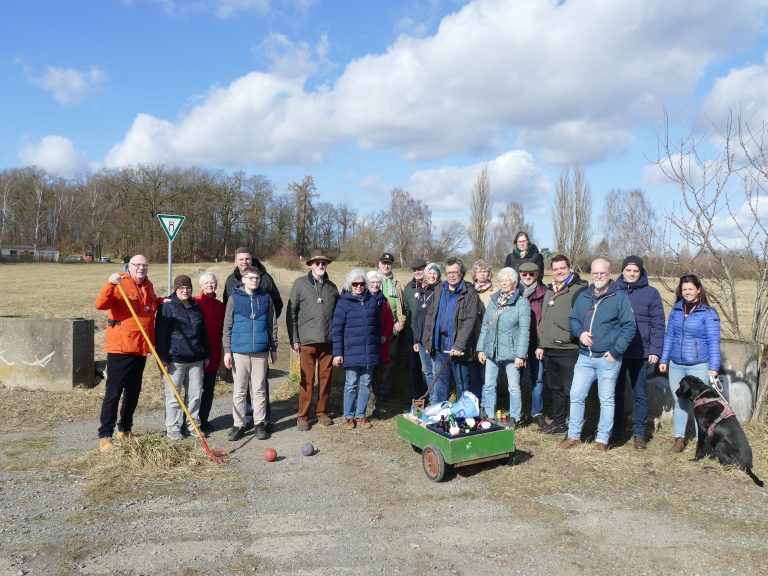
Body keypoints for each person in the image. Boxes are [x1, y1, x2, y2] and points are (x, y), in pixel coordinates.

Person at [557, 258, 636, 451]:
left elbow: (629, 327)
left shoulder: (619, 297)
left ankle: (602, 440)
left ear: (609, 274)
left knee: (606, 399)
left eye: (602, 273)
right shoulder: (584, 296)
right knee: (576, 395)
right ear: (590, 274)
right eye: (595, 273)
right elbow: (573, 319)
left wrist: (616, 351)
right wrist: (580, 333)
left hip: (607, 359)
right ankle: (574, 435)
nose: (598, 277)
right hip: (585, 357)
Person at [95, 254, 159, 453]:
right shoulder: (119, 283)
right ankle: (106, 435)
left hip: (141, 348)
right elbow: (100, 304)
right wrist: (109, 284)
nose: (141, 268)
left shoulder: (148, 285)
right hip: (120, 348)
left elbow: (151, 308)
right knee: (113, 393)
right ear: (129, 266)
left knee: (133, 392)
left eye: (144, 265)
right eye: (137, 265)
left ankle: (126, 428)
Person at [659, 274, 721, 453]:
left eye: (690, 289)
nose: (687, 292)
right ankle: (679, 439)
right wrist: (664, 359)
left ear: (698, 289)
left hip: (699, 365)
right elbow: (669, 336)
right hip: (676, 364)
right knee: (680, 402)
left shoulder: (708, 313)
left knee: (700, 404)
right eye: (684, 289)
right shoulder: (676, 310)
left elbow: (713, 341)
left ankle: (703, 441)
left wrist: (714, 367)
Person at [613, 256, 666, 450]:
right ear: (623, 271)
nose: (632, 274)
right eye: (629, 270)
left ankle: (639, 434)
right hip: (617, 351)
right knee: (615, 392)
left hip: (641, 351)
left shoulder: (651, 293)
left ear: (641, 272)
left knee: (640, 394)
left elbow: (658, 324)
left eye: (636, 270)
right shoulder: (614, 290)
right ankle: (617, 430)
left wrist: (655, 349)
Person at [286, 249, 340, 431]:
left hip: (328, 341)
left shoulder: (332, 287)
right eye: (317, 263)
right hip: (307, 341)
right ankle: (303, 415)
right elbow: (291, 312)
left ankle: (321, 411)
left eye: (323, 263)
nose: (320, 266)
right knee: (306, 379)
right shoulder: (300, 284)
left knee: (326, 378)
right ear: (311, 265)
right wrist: (295, 338)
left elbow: (338, 315)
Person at [223, 266, 277, 441]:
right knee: (240, 390)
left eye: (257, 278)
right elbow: (227, 326)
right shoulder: (234, 298)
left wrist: (273, 348)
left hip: (260, 352)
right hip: (239, 352)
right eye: (251, 278)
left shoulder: (266, 298)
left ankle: (259, 423)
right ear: (243, 280)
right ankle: (238, 424)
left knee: (259, 389)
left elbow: (272, 325)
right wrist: (227, 351)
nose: (255, 280)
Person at [535, 255, 588, 435]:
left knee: (570, 390)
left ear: (569, 268)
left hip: (568, 349)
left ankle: (574, 426)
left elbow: (583, 318)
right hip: (549, 348)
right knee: (556, 389)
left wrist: (571, 336)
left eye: (562, 268)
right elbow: (545, 319)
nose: (559, 272)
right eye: (555, 269)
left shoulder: (579, 290)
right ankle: (558, 423)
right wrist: (542, 344)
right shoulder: (551, 290)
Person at [156, 275, 210, 440]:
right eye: (181, 288)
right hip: (175, 360)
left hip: (196, 359)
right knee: (174, 396)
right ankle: (172, 427)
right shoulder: (168, 307)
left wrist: (206, 353)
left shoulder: (196, 306)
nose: (185, 291)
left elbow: (203, 332)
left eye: (188, 288)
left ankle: (192, 426)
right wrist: (163, 359)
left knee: (194, 396)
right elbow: (161, 335)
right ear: (175, 289)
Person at [422, 256, 482, 403]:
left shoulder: (469, 293)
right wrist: (428, 342)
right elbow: (430, 316)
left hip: (458, 345)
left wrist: (459, 345)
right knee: (441, 382)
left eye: (455, 272)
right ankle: (441, 413)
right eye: (449, 272)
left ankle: (463, 414)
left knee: (462, 382)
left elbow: (470, 321)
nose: (452, 275)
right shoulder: (439, 289)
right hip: (439, 342)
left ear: (461, 272)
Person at [477, 267, 531, 426]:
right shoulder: (494, 301)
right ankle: (489, 415)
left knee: (513, 387)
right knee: (489, 385)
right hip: (492, 351)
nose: (504, 283)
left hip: (512, 353)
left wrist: (521, 355)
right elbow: (485, 326)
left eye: (507, 280)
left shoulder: (522, 303)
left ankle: (515, 417)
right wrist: (481, 349)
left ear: (514, 283)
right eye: (501, 280)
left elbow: (524, 331)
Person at [332, 269, 382, 430]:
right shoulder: (343, 303)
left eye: (361, 283)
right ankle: (348, 416)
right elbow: (337, 329)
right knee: (351, 383)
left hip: (369, 352)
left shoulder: (372, 301)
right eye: (355, 284)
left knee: (366, 383)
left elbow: (377, 325)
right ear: (350, 285)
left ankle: (361, 415)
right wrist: (338, 353)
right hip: (351, 350)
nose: (359, 286)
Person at [194, 272, 225, 433]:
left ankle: (204, 419)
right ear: (201, 286)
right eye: (206, 283)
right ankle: (191, 421)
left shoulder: (221, 306)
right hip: (196, 355)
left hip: (213, 354)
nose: (209, 285)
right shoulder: (194, 303)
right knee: (194, 390)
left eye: (212, 282)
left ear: (216, 285)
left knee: (208, 389)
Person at [518, 261, 548, 428]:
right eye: (524, 274)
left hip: (536, 343)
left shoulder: (544, 293)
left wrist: (542, 344)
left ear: (536, 275)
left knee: (537, 378)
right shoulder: (514, 292)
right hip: (518, 344)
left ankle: (537, 412)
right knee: (517, 378)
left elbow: (546, 321)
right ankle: (518, 411)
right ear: (520, 274)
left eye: (531, 274)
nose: (528, 277)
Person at [375, 252, 406, 404]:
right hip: (374, 328)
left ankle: (384, 394)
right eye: (383, 262)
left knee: (389, 361)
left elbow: (403, 307)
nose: (386, 265)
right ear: (379, 263)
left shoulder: (397, 283)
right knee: (374, 362)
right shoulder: (372, 280)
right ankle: (371, 393)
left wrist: (401, 322)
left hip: (392, 329)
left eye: (389, 263)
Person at [366, 269, 394, 417]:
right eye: (373, 282)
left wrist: (385, 334)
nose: (376, 285)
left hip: (381, 344)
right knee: (367, 375)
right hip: (367, 344)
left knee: (377, 374)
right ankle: (368, 406)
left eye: (378, 282)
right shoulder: (363, 299)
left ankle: (373, 403)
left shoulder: (384, 301)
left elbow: (390, 321)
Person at [412, 263, 441, 397]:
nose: (432, 276)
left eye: (435, 273)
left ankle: (438, 400)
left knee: (436, 371)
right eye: (430, 273)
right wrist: (416, 340)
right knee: (427, 371)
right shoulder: (422, 293)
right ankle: (432, 398)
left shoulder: (441, 291)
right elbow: (417, 318)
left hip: (433, 339)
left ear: (439, 276)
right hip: (421, 339)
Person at [402, 258, 428, 400]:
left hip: (428, 334)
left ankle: (432, 396)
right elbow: (406, 309)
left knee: (429, 368)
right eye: (415, 269)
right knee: (415, 366)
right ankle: (417, 396)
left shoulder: (433, 287)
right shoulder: (408, 288)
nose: (418, 271)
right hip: (412, 334)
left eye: (420, 268)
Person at [470, 260, 493, 396]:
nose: (483, 274)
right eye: (480, 271)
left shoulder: (495, 291)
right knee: (473, 375)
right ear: (475, 274)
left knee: (486, 375)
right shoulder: (469, 290)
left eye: (485, 271)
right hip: (472, 337)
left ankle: (486, 404)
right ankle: (475, 403)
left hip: (487, 338)